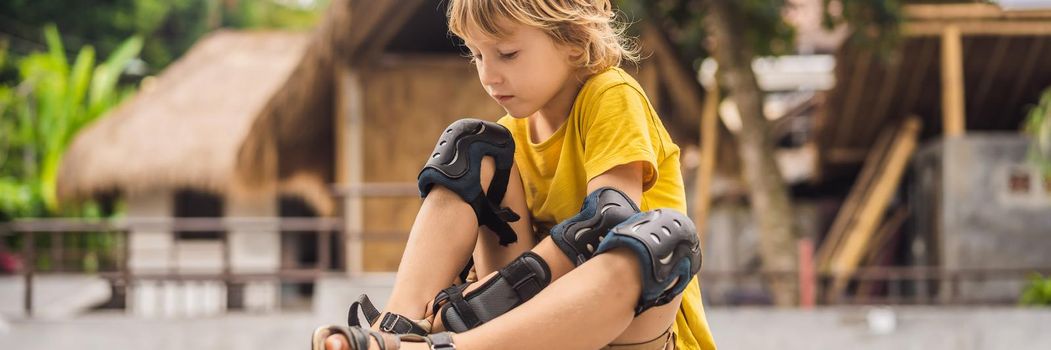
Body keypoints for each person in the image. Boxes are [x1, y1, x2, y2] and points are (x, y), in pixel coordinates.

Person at [313, 1, 715, 349]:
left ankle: (447, 346)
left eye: (507, 54)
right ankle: (396, 331)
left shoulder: (610, 95)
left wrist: (484, 300)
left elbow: (605, 221)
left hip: (628, 325)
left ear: (573, 41)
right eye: (477, 56)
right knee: (472, 145)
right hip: (530, 324)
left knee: (663, 236)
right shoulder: (513, 132)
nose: (489, 76)